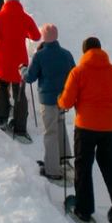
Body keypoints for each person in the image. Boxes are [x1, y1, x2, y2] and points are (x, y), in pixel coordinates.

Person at [58, 36, 112, 223]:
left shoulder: (78, 72)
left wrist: (61, 100)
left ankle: (84, 210)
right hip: (110, 129)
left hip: (86, 128)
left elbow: (66, 102)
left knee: (83, 166)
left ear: (84, 52)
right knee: (110, 166)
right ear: (101, 50)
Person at [23, 23, 75, 181]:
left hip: (48, 99)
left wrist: (22, 70)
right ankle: (64, 158)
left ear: (44, 37)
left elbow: (29, 77)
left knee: (50, 132)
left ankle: (53, 169)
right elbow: (74, 74)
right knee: (60, 126)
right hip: (63, 98)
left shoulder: (40, 56)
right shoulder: (66, 54)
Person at [0, 0, 40, 138]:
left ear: (5, 1)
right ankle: (20, 128)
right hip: (20, 63)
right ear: (17, 1)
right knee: (19, 93)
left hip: (3, 61)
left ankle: (1, 118)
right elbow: (36, 36)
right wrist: (26, 32)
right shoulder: (25, 17)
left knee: (1, 87)